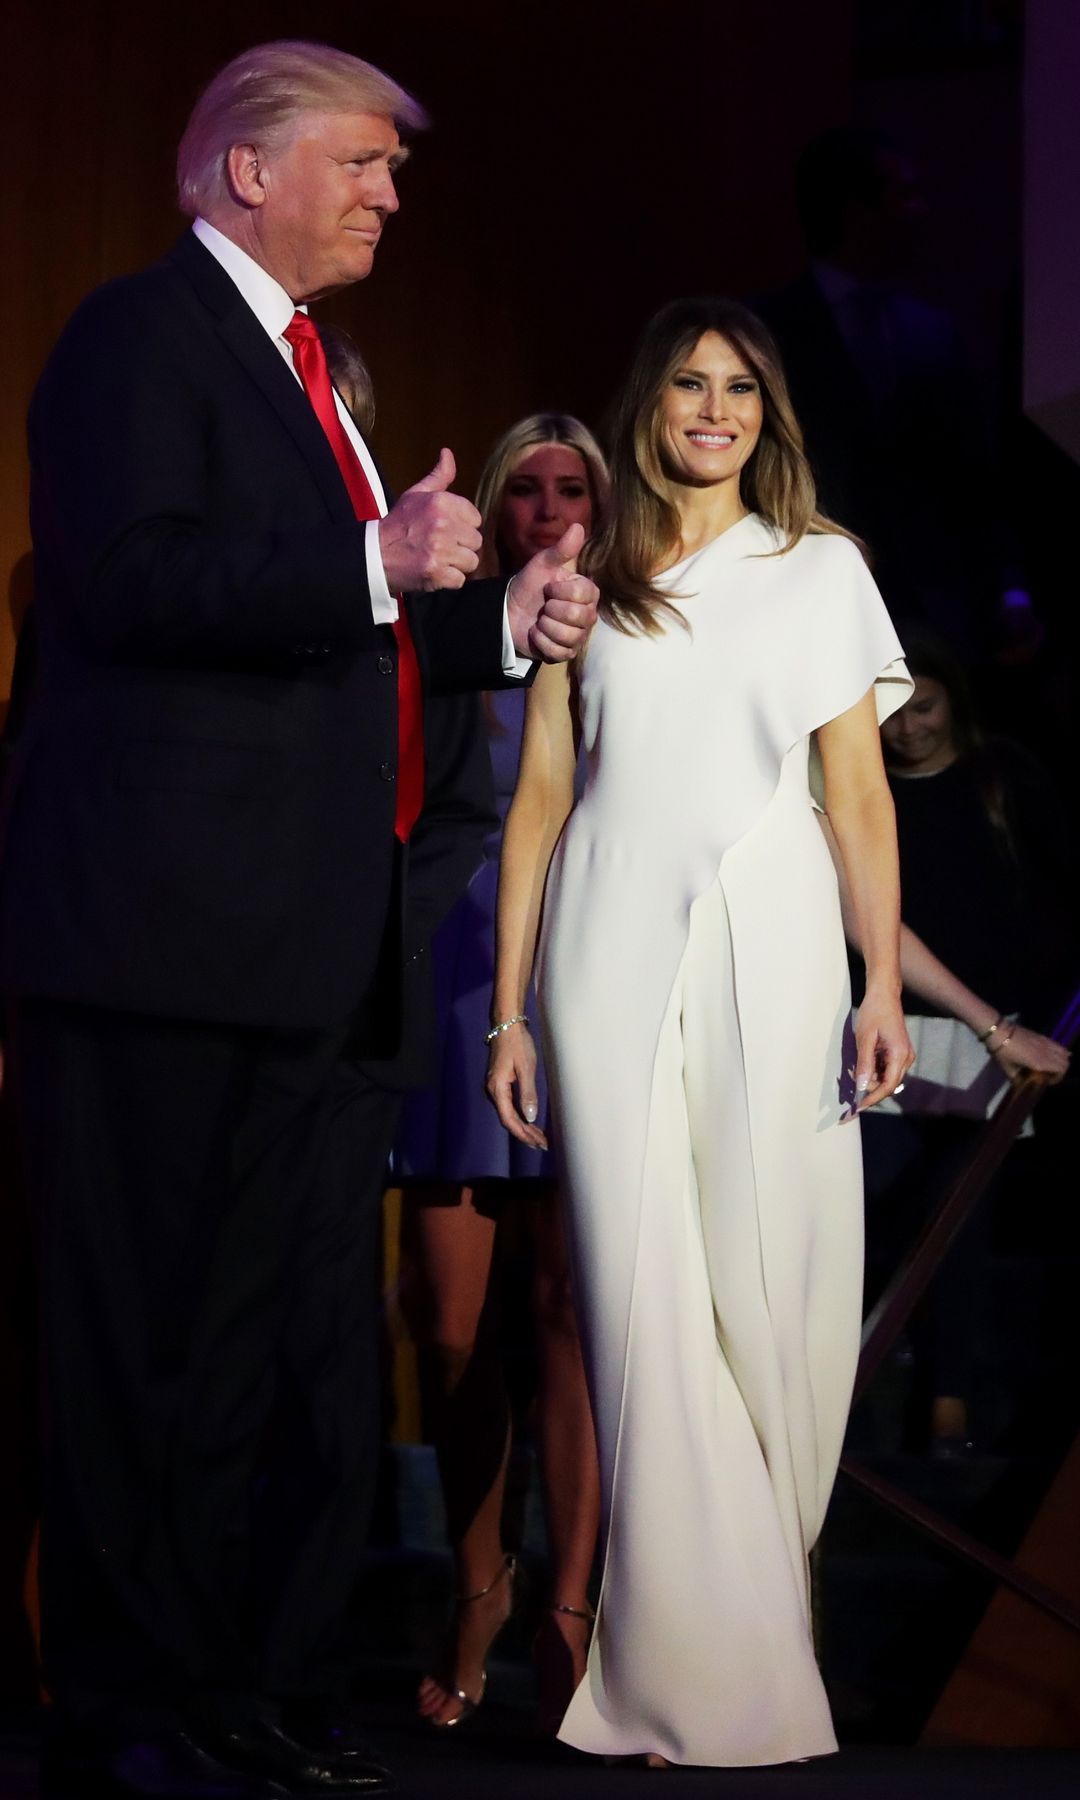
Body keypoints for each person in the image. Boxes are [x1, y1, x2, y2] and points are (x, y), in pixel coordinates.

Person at [0, 40, 598, 1800]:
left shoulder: (319, 370)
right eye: (361, 164)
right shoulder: (137, 339)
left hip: (306, 951)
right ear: (245, 172)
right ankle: (122, 1704)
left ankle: (245, 1687)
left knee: (278, 1346)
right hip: (159, 943)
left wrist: (490, 629)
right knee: (143, 1334)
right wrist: (372, 568)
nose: (390, 196)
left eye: (393, 173)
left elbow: (333, 638)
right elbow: (131, 581)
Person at [487, 296, 915, 1767]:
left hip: (777, 935)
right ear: (650, 405)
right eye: (689, 384)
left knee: (767, 1291)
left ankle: (752, 1638)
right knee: (637, 1302)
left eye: (740, 387)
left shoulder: (820, 569)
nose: (715, 409)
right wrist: (505, 1010)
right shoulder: (586, 573)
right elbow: (541, 800)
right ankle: (679, 1680)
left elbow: (858, 792)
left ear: (767, 413)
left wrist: (878, 982)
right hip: (603, 943)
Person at [394, 415, 607, 1731]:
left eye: (569, 486)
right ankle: (479, 1585)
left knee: (575, 1319)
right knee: (451, 1324)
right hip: (457, 985)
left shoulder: (636, 637)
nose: (543, 507)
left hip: (588, 982)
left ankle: (571, 1612)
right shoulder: (456, 636)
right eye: (521, 487)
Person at [858, 632, 1075, 1452]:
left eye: (926, 707)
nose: (911, 729)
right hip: (897, 1028)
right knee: (882, 1202)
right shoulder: (869, 793)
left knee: (961, 1211)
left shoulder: (1001, 777)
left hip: (998, 1032)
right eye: (895, 715)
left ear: (953, 700)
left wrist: (1039, 1019)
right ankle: (867, 1376)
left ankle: (948, 1389)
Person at [756, 126, 1035, 663]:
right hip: (809, 604)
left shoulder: (932, 331)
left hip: (938, 612)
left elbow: (973, 477)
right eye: (903, 194)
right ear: (855, 209)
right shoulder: (765, 331)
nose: (920, 211)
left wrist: (1009, 587)